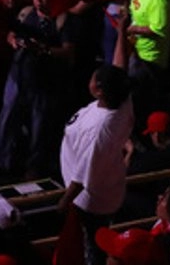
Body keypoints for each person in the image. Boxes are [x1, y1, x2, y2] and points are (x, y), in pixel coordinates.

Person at [58, 65, 135, 265]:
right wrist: (120, 36)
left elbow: (81, 179)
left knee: (92, 249)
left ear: (99, 89)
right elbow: (119, 67)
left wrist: (63, 204)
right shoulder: (123, 100)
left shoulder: (98, 132)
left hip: (92, 202)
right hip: (109, 182)